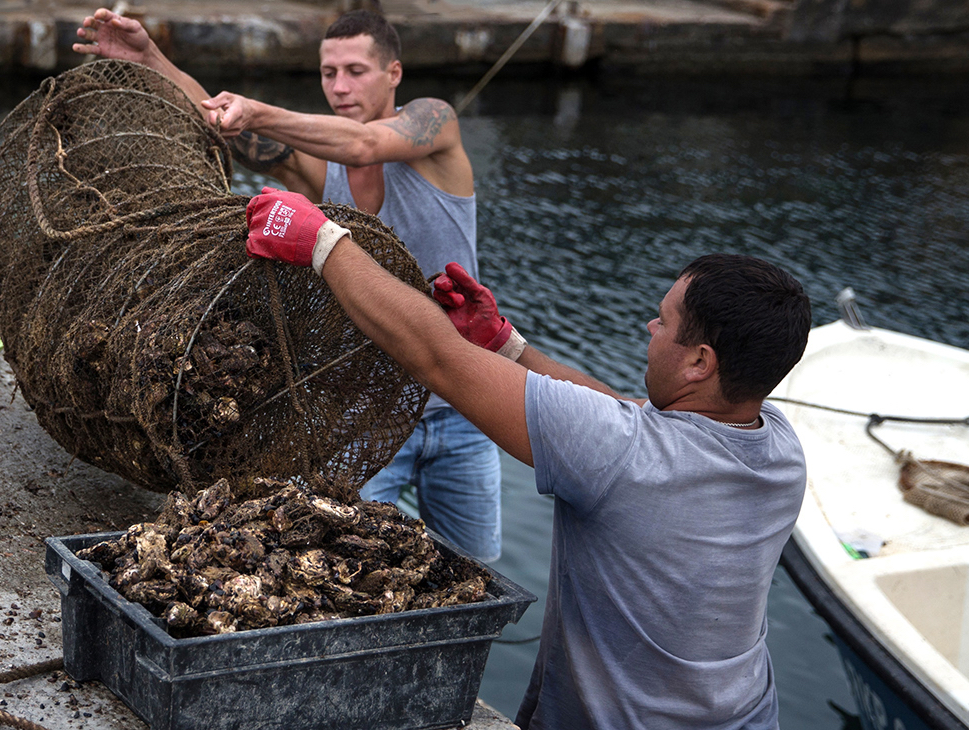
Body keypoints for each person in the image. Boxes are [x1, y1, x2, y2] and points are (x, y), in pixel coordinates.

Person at [241, 187, 813, 729]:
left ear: (699, 364)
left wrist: (322, 243)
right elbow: (626, 414)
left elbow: (434, 357)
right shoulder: (780, 448)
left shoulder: (623, 454)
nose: (650, 327)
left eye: (664, 321)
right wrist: (507, 347)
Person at [73, 8, 505, 562]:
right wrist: (151, 59)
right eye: (329, 73)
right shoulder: (314, 168)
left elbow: (364, 145)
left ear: (394, 73)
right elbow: (222, 120)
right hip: (361, 415)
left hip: (465, 409)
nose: (340, 86)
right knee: (348, 569)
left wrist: (259, 110)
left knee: (475, 573)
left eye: (356, 70)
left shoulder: (435, 123)